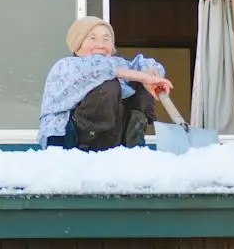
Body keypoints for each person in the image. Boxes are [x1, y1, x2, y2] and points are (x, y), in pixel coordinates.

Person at [39, 16, 173, 150]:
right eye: (93, 38)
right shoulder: (66, 65)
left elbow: (144, 64)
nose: (101, 45)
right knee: (109, 85)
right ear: (77, 44)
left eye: (106, 39)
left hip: (111, 138)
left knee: (142, 85)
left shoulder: (116, 64)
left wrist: (150, 72)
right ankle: (89, 144)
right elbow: (99, 68)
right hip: (69, 140)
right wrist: (143, 77)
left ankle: (134, 143)